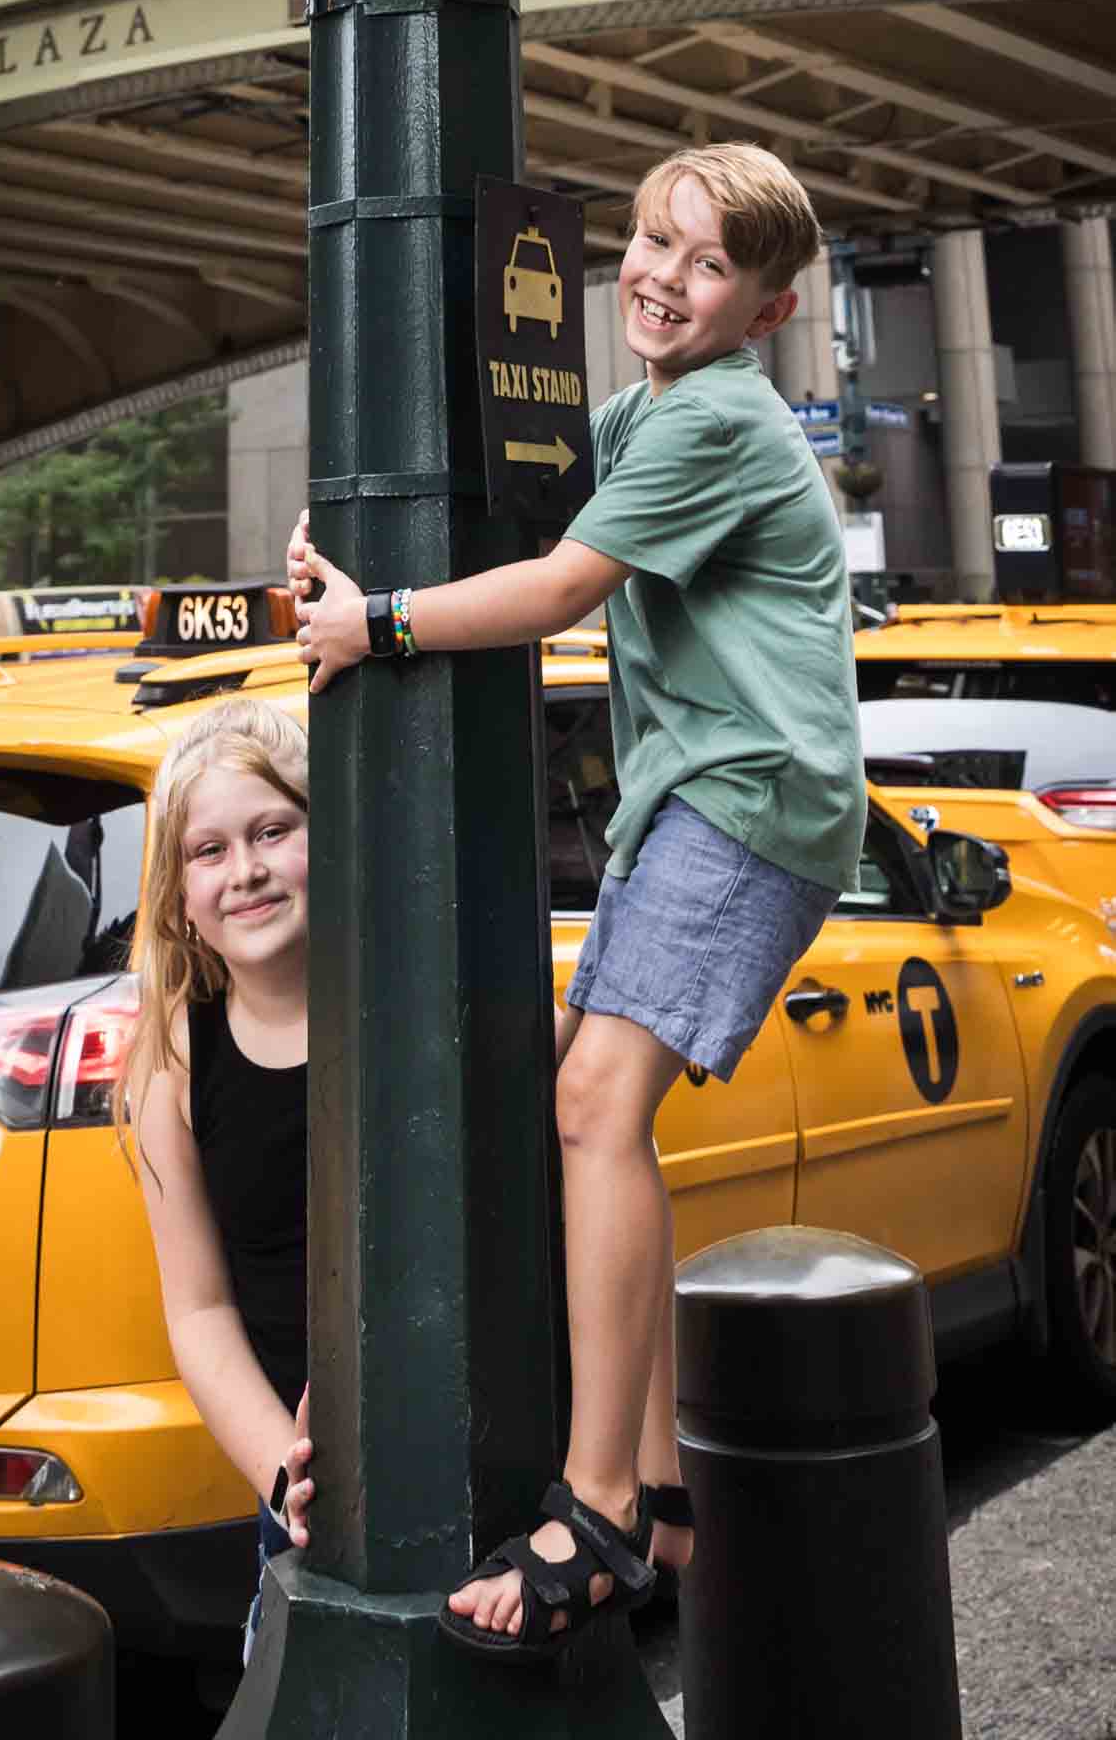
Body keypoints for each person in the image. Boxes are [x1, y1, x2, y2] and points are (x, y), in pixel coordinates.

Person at [286, 142, 867, 1661]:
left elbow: (552, 588)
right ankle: (663, 1490)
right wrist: (340, 557)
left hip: (749, 800)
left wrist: (379, 623)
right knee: (593, 1109)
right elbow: (520, 501)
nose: (664, 277)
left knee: (594, 1108)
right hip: (701, 804)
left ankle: (601, 1498)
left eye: (709, 264)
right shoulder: (654, 411)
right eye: (653, 242)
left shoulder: (721, 421)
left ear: (768, 307)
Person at [117, 698, 317, 1666]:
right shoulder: (175, 1056)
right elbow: (197, 1307)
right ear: (177, 891)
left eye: (273, 830)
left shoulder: (413, 990)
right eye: (209, 850)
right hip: (304, 1499)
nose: (244, 870)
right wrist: (284, 1470)